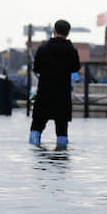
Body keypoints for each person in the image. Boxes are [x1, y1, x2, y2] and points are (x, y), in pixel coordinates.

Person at [29, 19, 81, 150]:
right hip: (62, 94)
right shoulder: (71, 50)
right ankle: (61, 154)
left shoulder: (43, 48)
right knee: (62, 129)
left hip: (44, 93)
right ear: (68, 33)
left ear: (54, 31)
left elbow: (36, 68)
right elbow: (75, 68)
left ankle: (34, 152)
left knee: (36, 126)